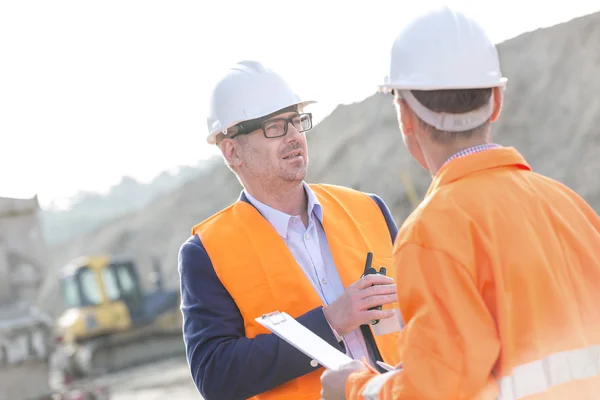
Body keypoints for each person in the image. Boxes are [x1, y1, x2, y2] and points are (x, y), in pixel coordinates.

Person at [320, 5, 600, 400]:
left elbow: (435, 391)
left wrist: (354, 389)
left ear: (405, 117)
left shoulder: (431, 233)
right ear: (497, 102)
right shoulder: (570, 206)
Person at [178, 60, 404, 400]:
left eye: (296, 121)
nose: (295, 136)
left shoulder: (369, 209)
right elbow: (215, 374)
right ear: (232, 151)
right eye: (274, 127)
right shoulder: (207, 252)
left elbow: (427, 312)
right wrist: (329, 322)